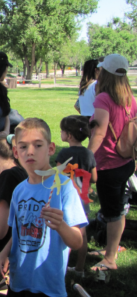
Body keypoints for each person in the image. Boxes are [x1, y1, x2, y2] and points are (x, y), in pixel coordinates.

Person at [0, 118, 87, 297]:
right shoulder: (19, 191)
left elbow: (78, 242)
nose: (30, 152)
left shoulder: (63, 187)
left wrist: (61, 226)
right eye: (23, 147)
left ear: (51, 148)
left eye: (38, 145)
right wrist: (3, 254)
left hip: (46, 285)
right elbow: (16, 232)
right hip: (19, 281)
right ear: (16, 153)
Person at [88, 54, 137, 272]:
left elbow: (99, 132)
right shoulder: (130, 99)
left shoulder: (103, 99)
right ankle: (112, 248)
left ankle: (109, 258)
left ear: (105, 72)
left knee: (113, 211)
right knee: (118, 209)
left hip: (109, 163)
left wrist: (87, 157)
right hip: (126, 161)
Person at [56, 115, 97, 277]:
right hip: (83, 200)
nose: (60, 133)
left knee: (64, 233)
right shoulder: (88, 154)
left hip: (65, 200)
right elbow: (94, 178)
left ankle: (61, 268)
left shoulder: (64, 153)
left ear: (69, 135)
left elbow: (57, 177)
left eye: (62, 131)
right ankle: (80, 268)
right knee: (82, 234)